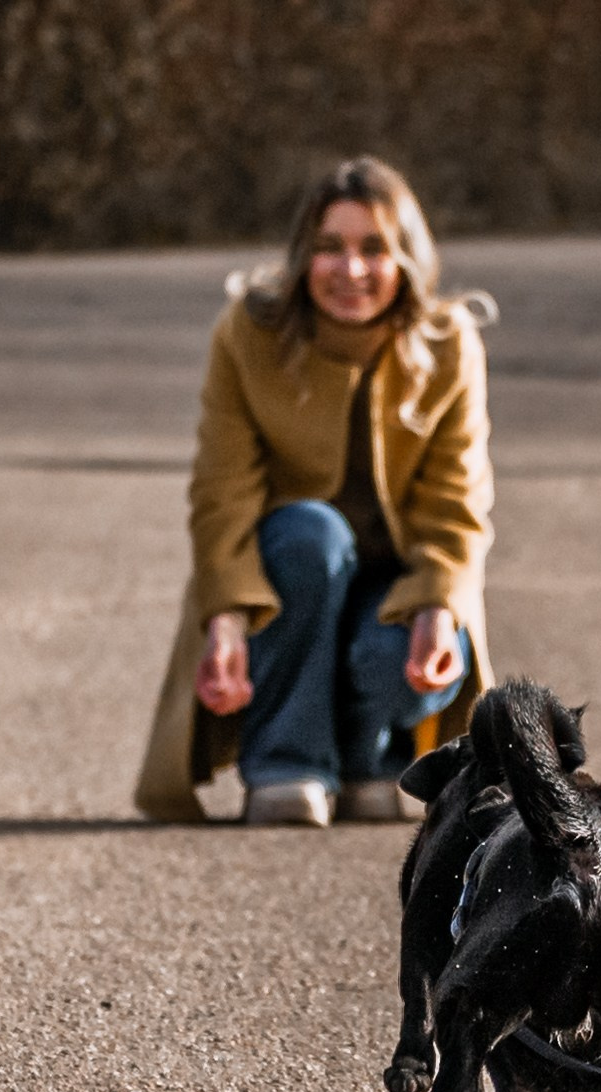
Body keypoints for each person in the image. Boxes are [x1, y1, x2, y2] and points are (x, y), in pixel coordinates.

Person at [134, 156, 493, 826]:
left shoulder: (448, 344)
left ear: (406, 258)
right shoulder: (250, 334)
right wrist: (223, 620)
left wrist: (441, 607)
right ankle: (285, 761)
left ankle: (372, 757)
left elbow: (458, 503)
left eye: (372, 249)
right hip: (288, 584)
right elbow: (222, 493)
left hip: (395, 595)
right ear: (303, 256)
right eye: (329, 248)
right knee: (311, 532)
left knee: (401, 646)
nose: (350, 271)